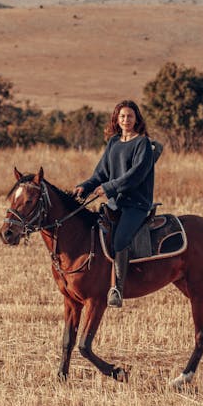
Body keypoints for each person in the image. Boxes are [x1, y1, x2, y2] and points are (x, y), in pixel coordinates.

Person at [74, 100, 155, 308]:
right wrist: (85, 186)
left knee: (120, 240)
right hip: (115, 204)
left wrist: (108, 188)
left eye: (129, 116)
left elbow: (134, 176)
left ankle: (117, 288)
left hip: (136, 204)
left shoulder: (143, 144)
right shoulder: (113, 143)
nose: (125, 120)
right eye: (122, 117)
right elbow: (100, 173)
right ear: (116, 120)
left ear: (136, 118)